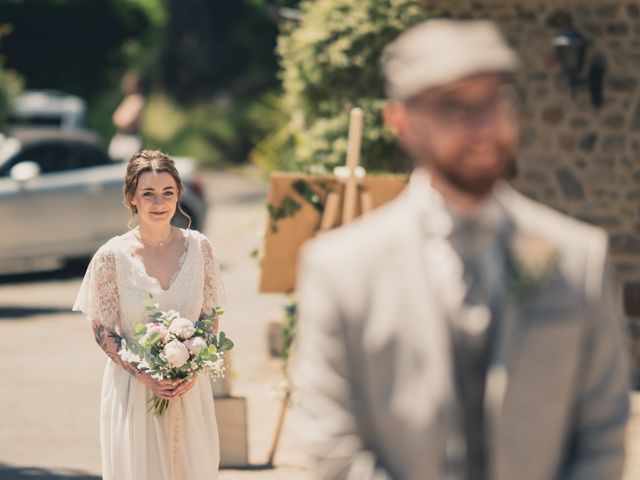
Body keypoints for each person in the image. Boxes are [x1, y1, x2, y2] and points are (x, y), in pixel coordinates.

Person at [294, 19, 629, 480]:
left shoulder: (578, 257)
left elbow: (603, 428)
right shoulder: (341, 268)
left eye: (495, 102)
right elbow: (330, 442)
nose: (483, 127)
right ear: (402, 122)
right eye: (454, 107)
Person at [73, 150, 226, 480]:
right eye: (149, 194)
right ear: (132, 198)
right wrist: (144, 373)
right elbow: (102, 328)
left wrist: (193, 365)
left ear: (178, 196)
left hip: (189, 390)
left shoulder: (201, 249)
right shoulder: (111, 256)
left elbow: (210, 314)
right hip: (134, 388)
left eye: (168, 193)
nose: (159, 202)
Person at [109, 72, 145, 161]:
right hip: (122, 137)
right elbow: (115, 118)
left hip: (131, 138)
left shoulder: (138, 100)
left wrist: (121, 120)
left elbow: (126, 122)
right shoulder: (127, 99)